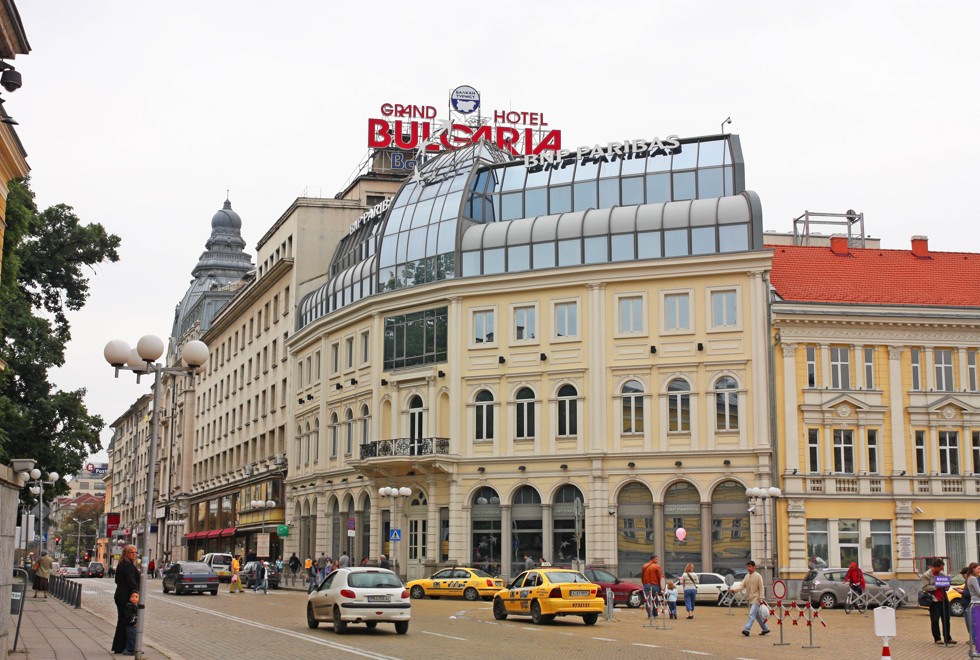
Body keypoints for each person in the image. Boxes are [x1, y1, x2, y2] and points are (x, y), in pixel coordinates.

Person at [111, 545, 141, 654]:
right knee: (128, 622)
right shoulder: (128, 565)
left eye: (135, 552)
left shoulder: (121, 564)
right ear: (126, 554)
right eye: (132, 552)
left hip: (119, 595)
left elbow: (117, 580)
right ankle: (129, 647)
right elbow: (131, 581)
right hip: (126, 596)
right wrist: (135, 592)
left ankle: (119, 647)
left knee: (122, 621)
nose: (134, 554)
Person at [921, 557, 955, 645]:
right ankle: (937, 638)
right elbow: (924, 587)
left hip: (944, 599)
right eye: (941, 568)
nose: (942, 569)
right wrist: (936, 587)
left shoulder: (941, 574)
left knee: (946, 619)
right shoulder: (926, 575)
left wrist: (946, 586)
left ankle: (948, 638)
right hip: (934, 600)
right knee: (935, 620)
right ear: (935, 567)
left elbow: (945, 584)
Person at [735, 560, 770, 637]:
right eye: (747, 567)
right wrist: (734, 590)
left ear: (754, 567)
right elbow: (742, 586)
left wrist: (761, 599)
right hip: (751, 599)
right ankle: (766, 629)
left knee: (751, 614)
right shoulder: (747, 576)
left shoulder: (758, 576)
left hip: (757, 599)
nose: (748, 568)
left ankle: (747, 629)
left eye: (750, 567)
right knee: (758, 616)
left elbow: (761, 588)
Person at [965, 562, 980, 654]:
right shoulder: (973, 579)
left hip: (976, 603)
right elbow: (978, 593)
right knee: (977, 628)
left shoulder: (972, 578)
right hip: (977, 603)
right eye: (978, 568)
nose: (979, 570)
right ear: (973, 569)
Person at [122, 591, 140, 656]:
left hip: (134, 625)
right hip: (130, 625)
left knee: (131, 637)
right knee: (132, 638)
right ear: (129, 598)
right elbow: (129, 616)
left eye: (136, 597)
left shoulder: (137, 606)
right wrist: (133, 623)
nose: (134, 598)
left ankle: (127, 650)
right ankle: (132, 650)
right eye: (132, 596)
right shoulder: (129, 606)